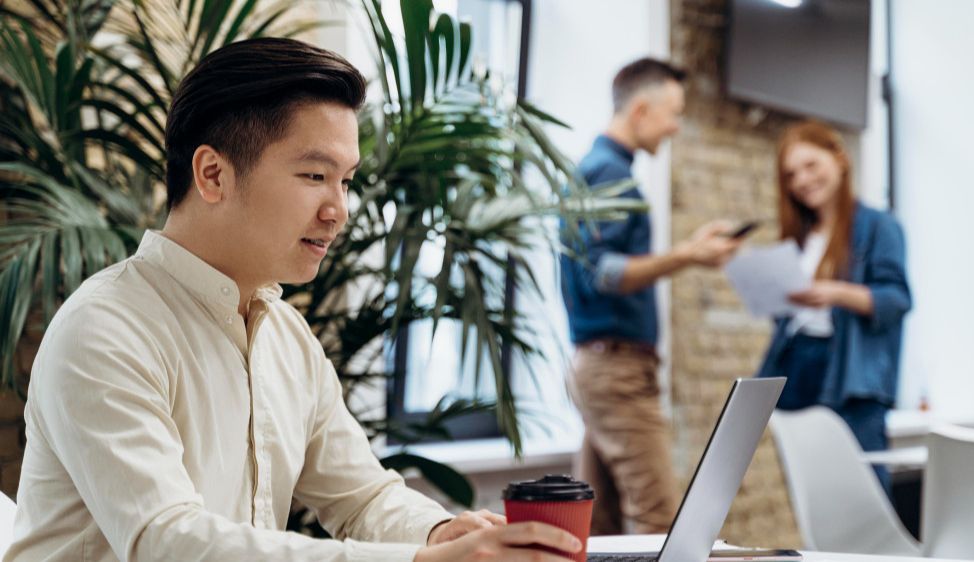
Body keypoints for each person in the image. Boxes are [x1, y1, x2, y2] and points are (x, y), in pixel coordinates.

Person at [6, 38, 581, 562]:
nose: (339, 210)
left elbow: (362, 498)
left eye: (347, 181)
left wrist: (439, 535)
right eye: (314, 175)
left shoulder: (283, 333)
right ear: (212, 174)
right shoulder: (104, 328)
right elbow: (167, 541)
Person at [559, 58, 742, 535]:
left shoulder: (601, 169)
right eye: (673, 113)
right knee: (661, 522)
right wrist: (690, 254)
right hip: (617, 372)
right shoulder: (609, 172)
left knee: (601, 528)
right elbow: (604, 272)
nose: (675, 127)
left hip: (603, 367)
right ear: (641, 109)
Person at [756, 120, 912, 491]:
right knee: (813, 489)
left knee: (861, 488)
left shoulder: (877, 226)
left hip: (849, 374)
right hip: (798, 366)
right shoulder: (800, 237)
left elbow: (896, 299)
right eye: (792, 174)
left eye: (811, 165)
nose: (802, 180)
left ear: (840, 159)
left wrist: (834, 292)